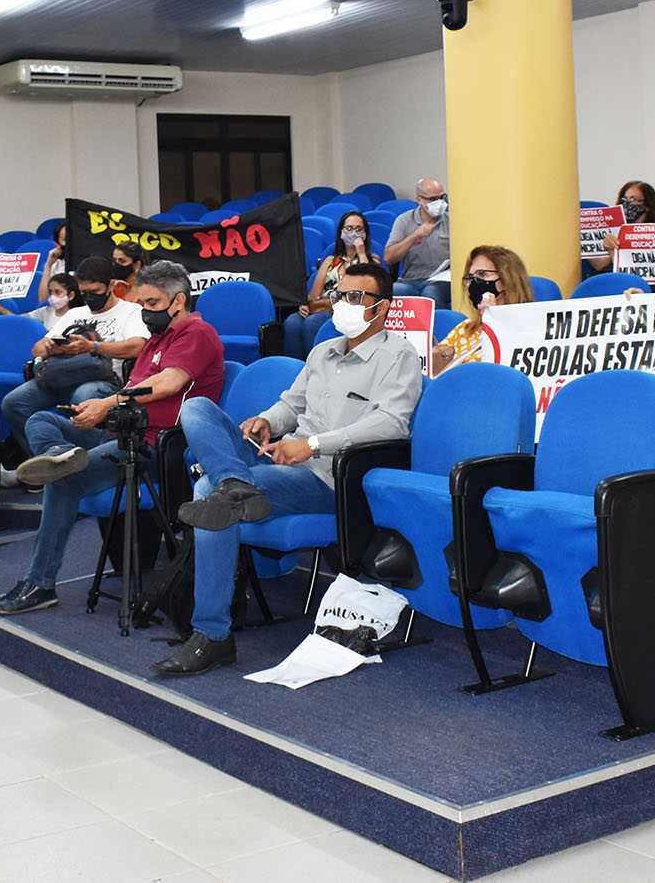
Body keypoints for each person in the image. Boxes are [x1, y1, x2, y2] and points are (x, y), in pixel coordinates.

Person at [154, 263, 423, 676]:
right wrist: (266, 420)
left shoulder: (398, 355)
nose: (343, 304)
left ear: (382, 307)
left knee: (207, 491)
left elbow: (392, 424)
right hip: (280, 461)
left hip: (328, 477)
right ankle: (233, 483)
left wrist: (312, 445)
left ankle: (212, 634)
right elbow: (290, 406)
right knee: (197, 409)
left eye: (355, 297)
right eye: (340, 295)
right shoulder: (322, 351)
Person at [0, 261, 227, 616]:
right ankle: (61, 455)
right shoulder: (157, 338)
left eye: (153, 304)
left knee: (63, 482)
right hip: (120, 431)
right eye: (143, 303)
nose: (145, 311)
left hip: (153, 446)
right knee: (40, 419)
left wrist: (107, 403)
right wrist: (98, 410)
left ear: (178, 301)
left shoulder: (197, 333)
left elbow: (169, 383)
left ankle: (39, 583)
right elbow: (133, 387)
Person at [0, 257, 150, 457]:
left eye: (94, 291)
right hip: (63, 376)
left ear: (111, 285)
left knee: (83, 396)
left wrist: (93, 347)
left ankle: (84, 463)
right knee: (13, 403)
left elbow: (138, 347)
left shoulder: (131, 312)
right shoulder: (74, 314)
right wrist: (49, 349)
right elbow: (37, 350)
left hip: (104, 381)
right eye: (84, 292)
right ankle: (46, 458)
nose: (89, 297)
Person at [430, 245, 534, 376]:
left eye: (482, 274)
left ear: (507, 280)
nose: (475, 282)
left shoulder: (527, 331)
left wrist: (495, 318)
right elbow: (431, 368)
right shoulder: (465, 328)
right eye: (470, 277)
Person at [286, 211, 376, 355]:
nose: (354, 233)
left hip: (350, 309)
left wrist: (361, 253)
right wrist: (305, 304)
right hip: (324, 306)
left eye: (359, 229)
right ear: (341, 232)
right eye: (349, 228)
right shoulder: (330, 261)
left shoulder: (372, 260)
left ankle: (314, 364)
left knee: (312, 322)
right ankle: (295, 366)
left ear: (365, 234)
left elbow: (369, 284)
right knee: (292, 323)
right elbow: (315, 295)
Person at [384, 177, 454, 308]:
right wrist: (415, 235)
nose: (439, 202)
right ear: (419, 200)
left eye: (442, 197)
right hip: (411, 281)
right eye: (433, 199)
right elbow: (389, 258)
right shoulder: (404, 220)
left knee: (430, 292)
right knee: (392, 291)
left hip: (442, 280)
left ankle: (439, 321)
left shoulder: (451, 221)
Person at [589, 180, 655, 274]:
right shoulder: (616, 230)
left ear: (647, 206)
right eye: (625, 200)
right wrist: (609, 248)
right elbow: (600, 265)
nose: (628, 204)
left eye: (634, 199)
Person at [36, 223, 70, 305]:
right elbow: (43, 300)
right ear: (57, 244)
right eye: (66, 239)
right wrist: (48, 265)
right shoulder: (55, 266)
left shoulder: (92, 263)